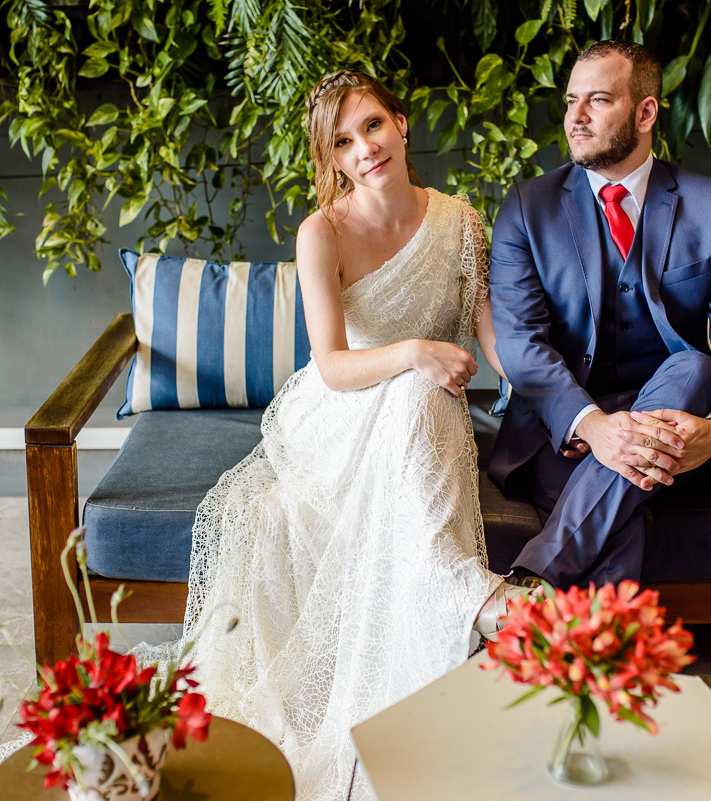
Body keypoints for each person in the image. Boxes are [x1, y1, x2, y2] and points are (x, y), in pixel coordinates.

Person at [135, 70, 525, 801]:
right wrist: (414, 351)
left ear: (400, 123)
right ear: (332, 159)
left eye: (372, 125)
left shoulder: (461, 221)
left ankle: (452, 597)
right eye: (342, 142)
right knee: (418, 384)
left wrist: (560, 396)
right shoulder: (322, 232)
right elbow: (333, 365)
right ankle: (465, 591)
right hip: (339, 413)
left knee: (425, 394)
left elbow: (493, 339)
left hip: (424, 410)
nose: (364, 149)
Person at [488, 40, 711, 591]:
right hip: (565, 428)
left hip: (679, 415)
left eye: (597, 100)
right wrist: (594, 427)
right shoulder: (527, 208)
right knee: (623, 505)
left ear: (645, 113)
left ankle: (528, 592)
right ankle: (568, 611)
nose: (576, 116)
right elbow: (520, 341)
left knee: (694, 367)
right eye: (571, 100)